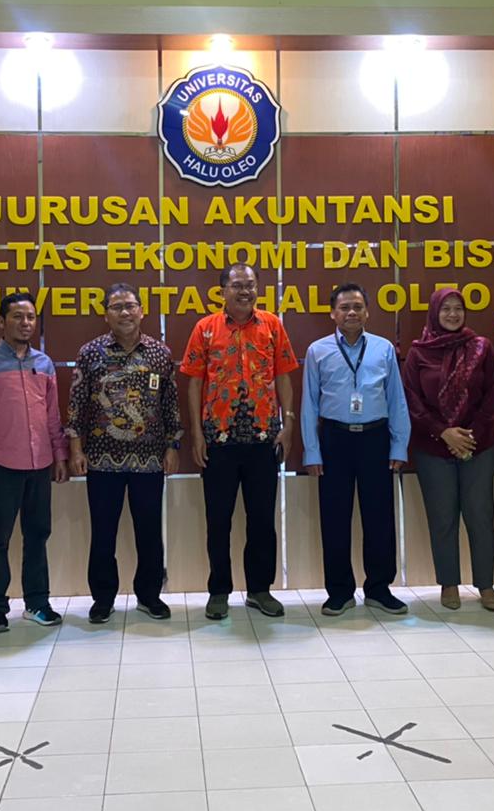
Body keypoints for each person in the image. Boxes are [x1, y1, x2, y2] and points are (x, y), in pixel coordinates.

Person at [182, 263, 298, 620]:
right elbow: (194, 383)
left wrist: (288, 423)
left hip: (264, 439)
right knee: (218, 520)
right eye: (237, 285)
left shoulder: (272, 325)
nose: (244, 291)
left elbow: (284, 376)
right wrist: (197, 433)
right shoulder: (205, 328)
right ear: (223, 291)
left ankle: (260, 590)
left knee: (262, 519)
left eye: (250, 285)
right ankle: (219, 591)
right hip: (219, 440)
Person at [67, 283, 183, 624]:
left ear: (141, 311)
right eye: (117, 307)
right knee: (103, 532)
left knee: (149, 531)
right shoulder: (91, 353)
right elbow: (76, 404)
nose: (125, 312)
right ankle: (103, 599)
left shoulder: (159, 353)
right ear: (106, 315)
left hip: (150, 459)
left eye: (130, 306)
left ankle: (149, 595)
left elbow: (170, 405)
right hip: (102, 459)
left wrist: (172, 445)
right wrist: (75, 448)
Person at [301, 283, 411, 616]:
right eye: (345, 307)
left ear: (367, 312)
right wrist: (312, 451)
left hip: (376, 439)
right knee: (334, 518)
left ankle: (379, 588)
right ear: (332, 313)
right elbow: (309, 404)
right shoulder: (317, 351)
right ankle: (339, 591)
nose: (351, 312)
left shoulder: (383, 348)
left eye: (358, 307)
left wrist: (399, 445)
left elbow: (396, 399)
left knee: (379, 516)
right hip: (334, 439)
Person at [0, 292, 69, 631]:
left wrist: (59, 455)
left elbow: (52, 417)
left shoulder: (44, 363)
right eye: (17, 317)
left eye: (30, 317)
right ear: (1, 321)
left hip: (40, 464)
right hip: (1, 466)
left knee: (38, 535)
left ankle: (37, 603)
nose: (25, 323)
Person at [403, 287, 494, 612]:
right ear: (434, 312)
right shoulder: (418, 353)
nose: (452, 314)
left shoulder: (481, 347)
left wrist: (468, 436)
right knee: (442, 516)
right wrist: (444, 432)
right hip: (433, 447)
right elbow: (411, 400)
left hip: (478, 445)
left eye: (458, 308)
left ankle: (485, 584)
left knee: (480, 514)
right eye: (445, 308)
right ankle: (449, 583)